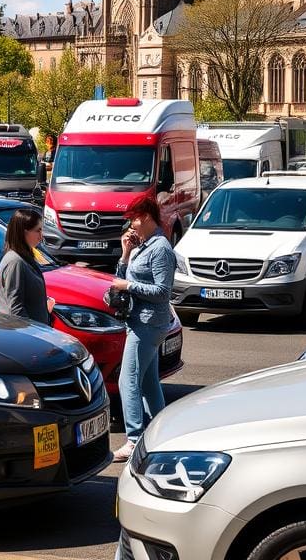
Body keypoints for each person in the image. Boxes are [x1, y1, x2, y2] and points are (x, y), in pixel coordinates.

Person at [109, 196, 176, 463]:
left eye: (134, 219)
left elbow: (163, 292)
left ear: (147, 217)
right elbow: (122, 276)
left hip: (149, 322)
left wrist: (129, 287)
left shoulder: (160, 249)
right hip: (137, 320)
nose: (131, 225)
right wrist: (125, 252)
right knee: (148, 382)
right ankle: (163, 433)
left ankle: (134, 439)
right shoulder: (142, 246)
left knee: (128, 381)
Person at [0, 209, 55, 325]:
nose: (41, 235)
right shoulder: (15, 262)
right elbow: (15, 310)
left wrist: (43, 305)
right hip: (24, 337)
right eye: (38, 230)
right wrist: (32, 333)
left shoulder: (25, 257)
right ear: (24, 232)